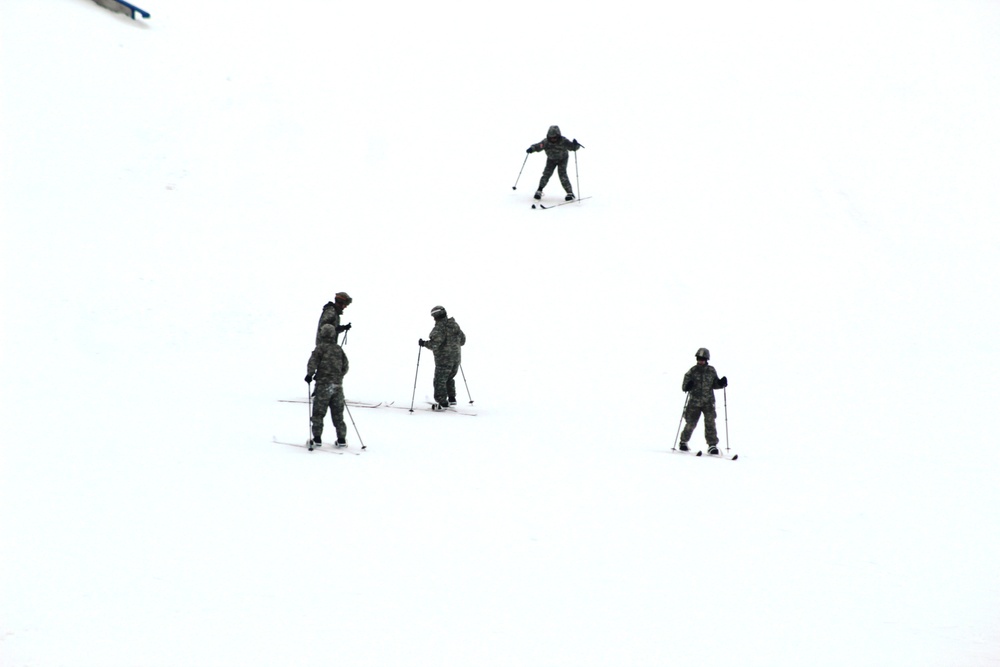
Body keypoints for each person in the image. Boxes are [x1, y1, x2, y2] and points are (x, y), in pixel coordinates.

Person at [305, 324, 350, 447]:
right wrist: (338, 376)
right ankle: (341, 439)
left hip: (323, 386)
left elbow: (312, 362)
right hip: (337, 387)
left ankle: (317, 438)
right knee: (338, 415)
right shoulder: (338, 349)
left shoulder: (320, 348)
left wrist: (310, 375)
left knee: (319, 413)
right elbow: (345, 366)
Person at [678, 348, 728, 455]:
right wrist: (688, 386)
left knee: (710, 423)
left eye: (703, 359)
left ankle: (712, 445)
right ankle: (683, 442)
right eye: (699, 359)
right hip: (694, 403)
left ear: (706, 359)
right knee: (690, 423)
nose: (700, 361)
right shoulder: (692, 371)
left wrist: (721, 383)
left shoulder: (711, 371)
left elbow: (714, 384)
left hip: (708, 402)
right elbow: (684, 387)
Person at [418, 305, 466, 408]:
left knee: (440, 380)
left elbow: (434, 345)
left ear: (436, 316)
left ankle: (442, 402)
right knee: (449, 378)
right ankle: (452, 398)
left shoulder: (439, 328)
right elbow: (463, 341)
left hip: (443, 360)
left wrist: (424, 343)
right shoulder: (454, 325)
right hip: (456, 359)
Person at [526, 125, 582, 201]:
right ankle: (539, 190)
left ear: (558, 136)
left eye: (554, 137)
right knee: (546, 174)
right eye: (551, 137)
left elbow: (573, 147)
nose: (552, 139)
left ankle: (570, 193)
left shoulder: (564, 141)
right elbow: (538, 146)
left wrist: (576, 145)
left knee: (562, 174)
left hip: (563, 159)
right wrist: (531, 149)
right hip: (551, 160)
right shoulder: (546, 142)